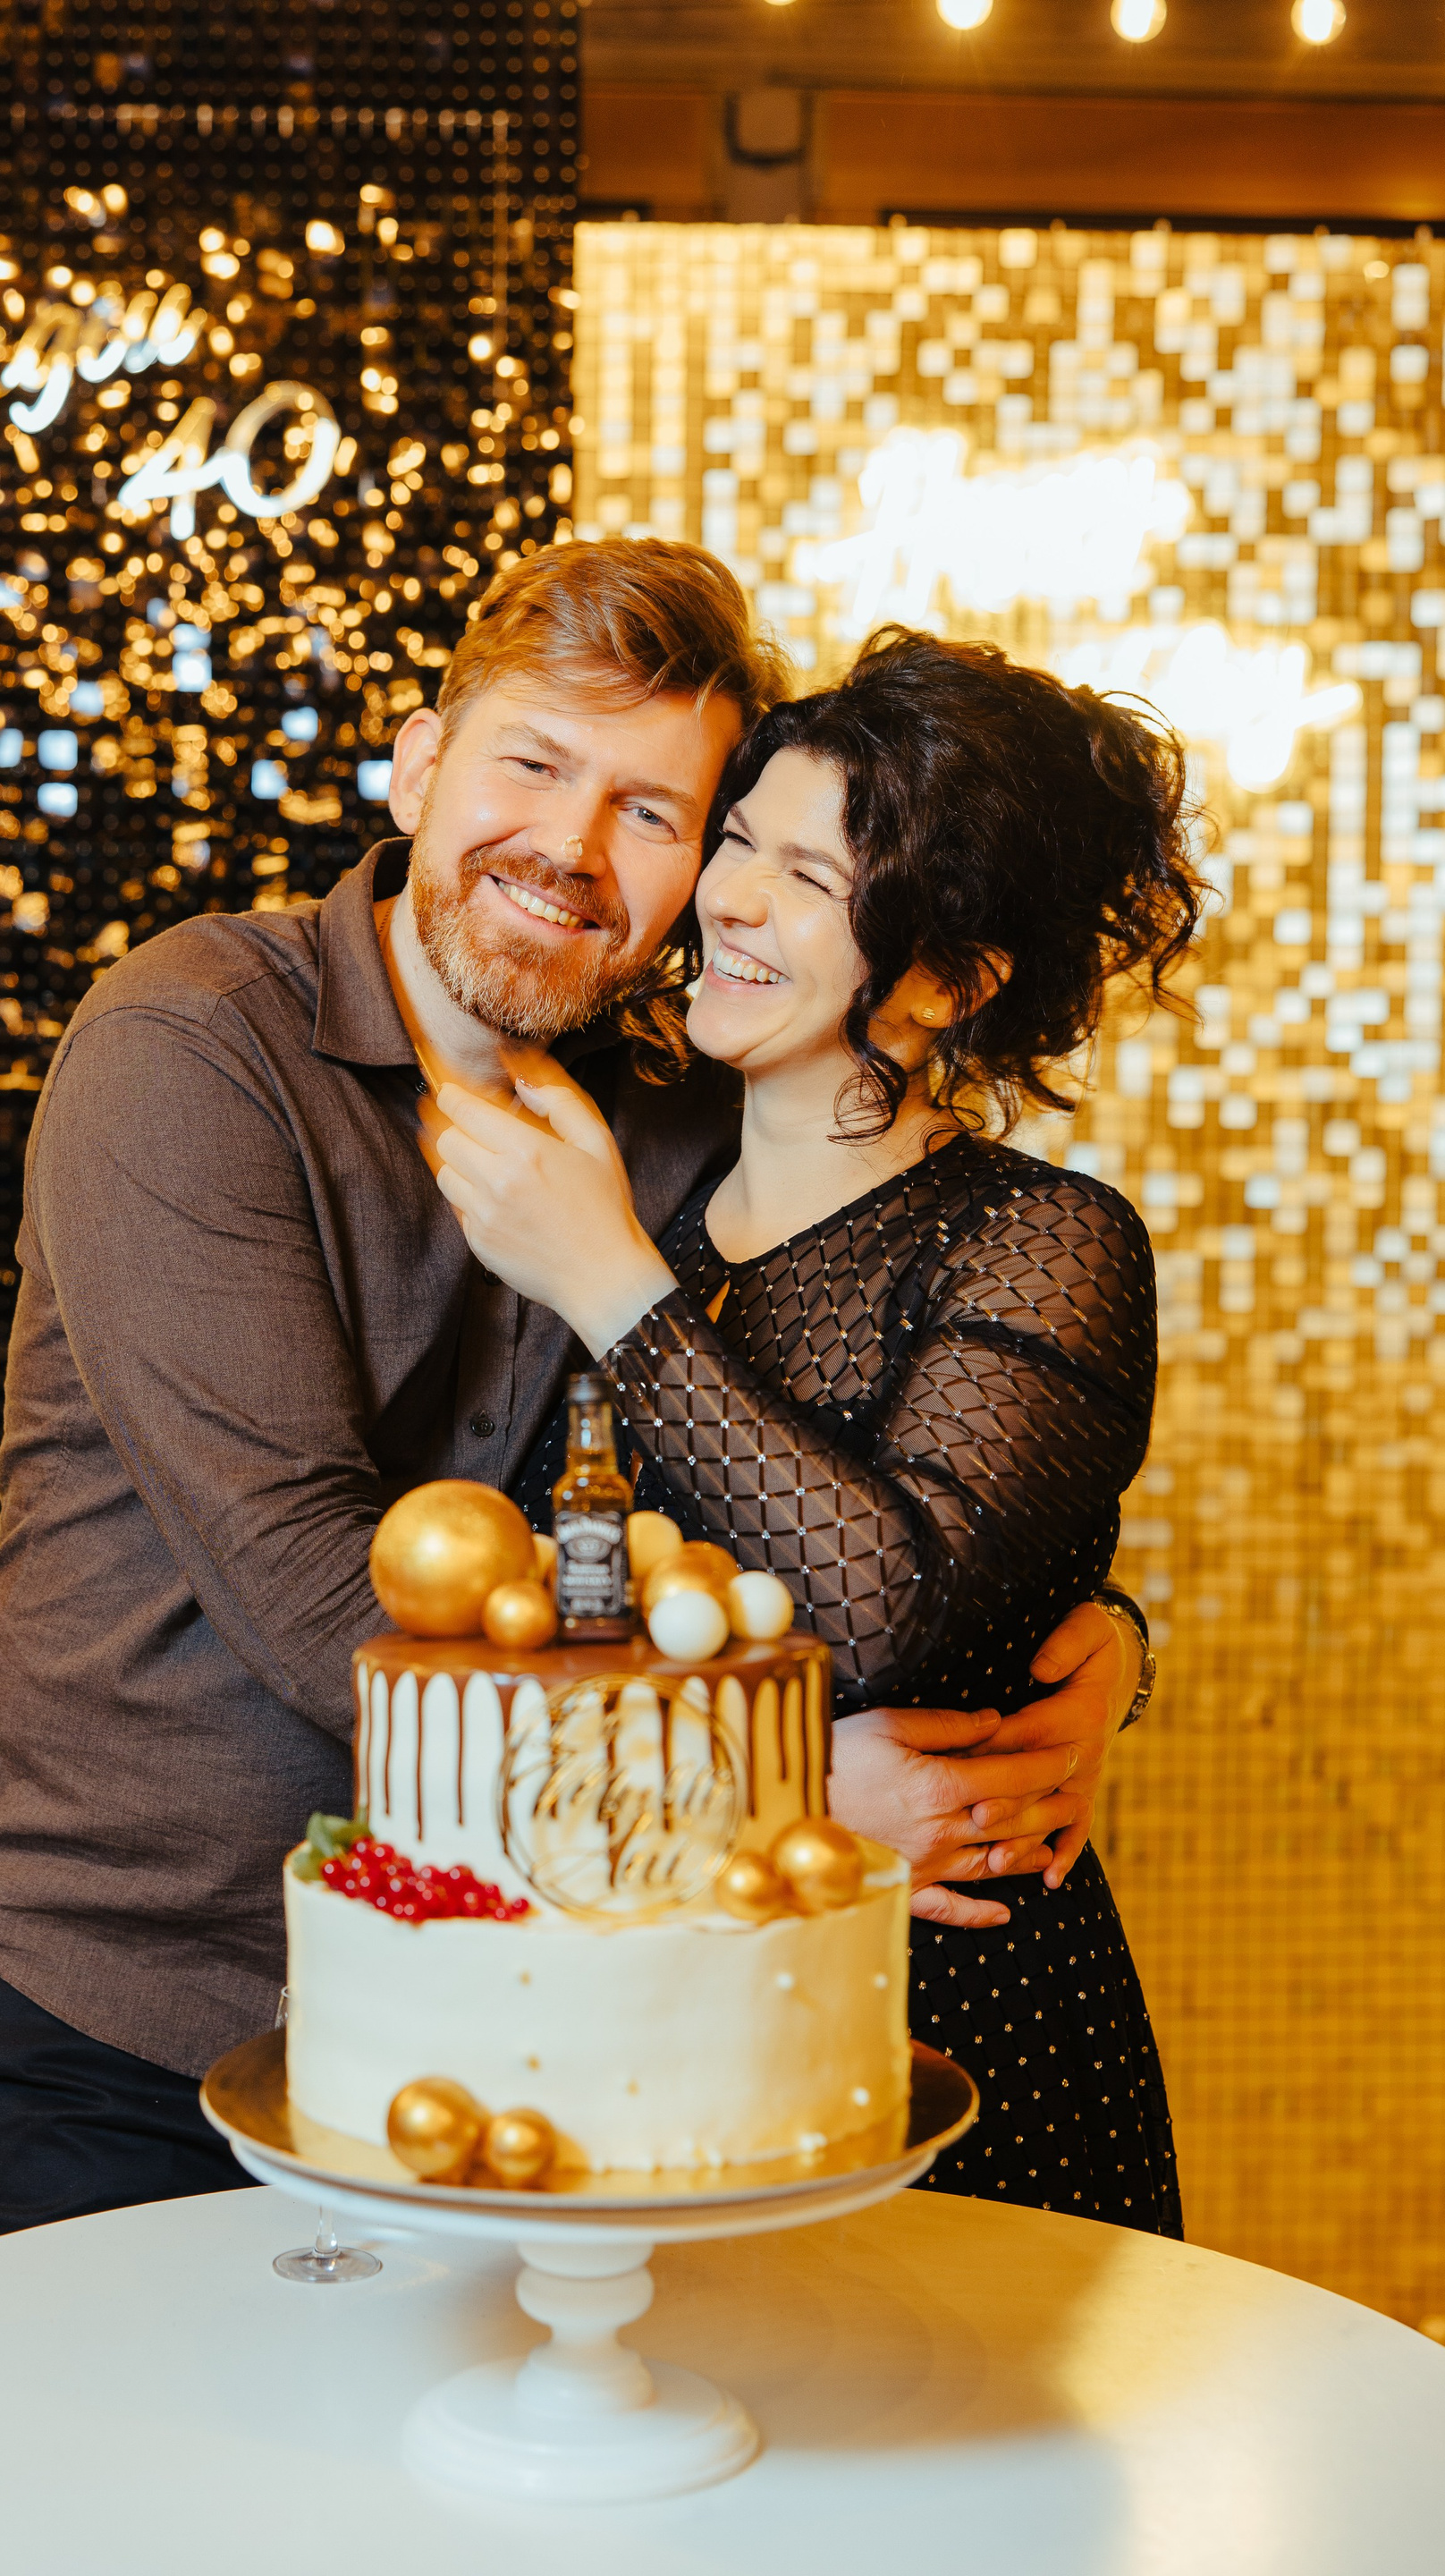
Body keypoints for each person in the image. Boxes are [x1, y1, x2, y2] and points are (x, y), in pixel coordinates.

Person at [0, 548, 1146, 2244]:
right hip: (133, 2005)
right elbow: (311, 1587)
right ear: (420, 766)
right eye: (534, 764)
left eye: (655, 813)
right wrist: (769, 1786)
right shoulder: (192, 1047)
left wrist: (1091, 1647)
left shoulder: (682, 1115)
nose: (572, 849)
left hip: (532, 1998)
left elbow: (866, 1473)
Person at [432, 625, 1198, 2233]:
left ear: (950, 981)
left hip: (953, 2027)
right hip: (653, 1999)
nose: (729, 900)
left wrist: (615, 1294)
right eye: (737, 844)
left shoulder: (1039, 1239)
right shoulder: (642, 1191)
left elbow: (894, 1607)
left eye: (810, 878)